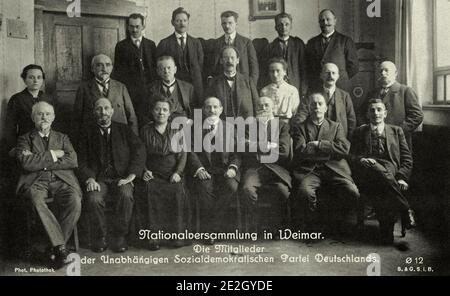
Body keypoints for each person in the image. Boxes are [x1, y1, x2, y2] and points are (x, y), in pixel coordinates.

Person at [15, 101, 81, 268]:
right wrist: (54, 154)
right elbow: (26, 164)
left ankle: (54, 248)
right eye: (40, 114)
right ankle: (60, 248)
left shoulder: (62, 137)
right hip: (36, 181)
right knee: (36, 200)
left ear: (53, 117)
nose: (44, 117)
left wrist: (41, 161)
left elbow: (72, 160)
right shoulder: (24, 139)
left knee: (74, 200)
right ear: (33, 117)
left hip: (61, 179)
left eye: (47, 114)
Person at [78, 98, 146, 253]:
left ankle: (119, 236)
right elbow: (80, 160)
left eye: (106, 108)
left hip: (121, 177)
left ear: (112, 111)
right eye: (99, 109)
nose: (103, 112)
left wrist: (132, 175)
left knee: (126, 195)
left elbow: (140, 151)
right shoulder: (86, 132)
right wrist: (89, 178)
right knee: (93, 198)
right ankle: (100, 237)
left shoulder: (124, 129)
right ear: (94, 112)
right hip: (98, 179)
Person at [290, 93, 360, 235]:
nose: (317, 107)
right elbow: (301, 150)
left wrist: (318, 144)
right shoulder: (300, 128)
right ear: (309, 108)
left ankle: (337, 223)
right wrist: (330, 150)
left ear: (326, 108)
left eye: (320, 104)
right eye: (313, 104)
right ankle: (314, 226)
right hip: (310, 169)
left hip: (335, 169)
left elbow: (343, 149)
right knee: (305, 192)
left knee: (352, 192)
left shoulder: (336, 126)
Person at [351, 99, 416, 245]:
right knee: (377, 172)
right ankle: (405, 209)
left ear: (385, 113)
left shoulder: (396, 131)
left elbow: (406, 158)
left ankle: (386, 231)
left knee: (382, 184)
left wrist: (401, 178)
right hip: (367, 170)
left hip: (390, 169)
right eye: (372, 110)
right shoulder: (359, 131)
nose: (376, 113)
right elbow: (351, 156)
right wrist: (361, 160)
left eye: (379, 110)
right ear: (367, 114)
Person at [139, 96, 188, 250]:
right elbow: (139, 155)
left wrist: (178, 172)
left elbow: (183, 154)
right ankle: (154, 238)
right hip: (152, 173)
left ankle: (177, 236)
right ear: (152, 112)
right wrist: (144, 170)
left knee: (177, 191)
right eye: (157, 109)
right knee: (149, 191)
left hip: (172, 173)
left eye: (165, 110)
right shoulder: (145, 130)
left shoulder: (177, 129)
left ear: (170, 113)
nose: (161, 113)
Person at [189, 97, 240, 244]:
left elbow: (237, 153)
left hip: (225, 170)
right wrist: (198, 168)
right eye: (208, 107)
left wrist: (232, 167)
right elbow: (190, 151)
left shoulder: (230, 128)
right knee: (204, 190)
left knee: (231, 186)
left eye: (215, 107)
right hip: (206, 170)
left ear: (221, 110)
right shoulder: (195, 128)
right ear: (203, 110)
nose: (212, 110)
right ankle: (213, 230)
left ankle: (211, 228)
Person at [240, 97, 291, 236]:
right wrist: (269, 145)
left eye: (266, 105)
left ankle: (277, 227)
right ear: (255, 109)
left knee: (282, 191)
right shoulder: (247, 126)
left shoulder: (282, 126)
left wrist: (255, 145)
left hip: (276, 169)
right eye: (260, 106)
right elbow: (243, 148)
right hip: (254, 169)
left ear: (273, 107)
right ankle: (255, 224)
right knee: (247, 189)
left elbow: (284, 151)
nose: (263, 108)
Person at [72, 54, 138, 145]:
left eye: (108, 65)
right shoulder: (84, 88)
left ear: (112, 68)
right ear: (92, 68)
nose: (104, 68)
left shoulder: (121, 87)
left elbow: (131, 116)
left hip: (119, 138)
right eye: (99, 65)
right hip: (93, 139)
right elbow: (77, 118)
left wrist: (134, 140)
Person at [360, 61, 424, 150]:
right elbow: (361, 112)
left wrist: (398, 131)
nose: (383, 73)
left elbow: (417, 116)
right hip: (374, 141)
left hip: (398, 141)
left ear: (395, 73)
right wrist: (366, 127)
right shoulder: (373, 92)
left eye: (386, 70)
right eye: (381, 71)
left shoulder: (405, 91)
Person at [112, 13, 157, 122]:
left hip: (150, 91)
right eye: (131, 26)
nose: (135, 30)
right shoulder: (121, 46)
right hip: (130, 92)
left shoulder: (151, 45)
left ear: (143, 26)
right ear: (127, 27)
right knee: (133, 119)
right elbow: (118, 72)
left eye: (137, 26)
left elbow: (155, 68)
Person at [292, 63, 356, 139]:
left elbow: (351, 121)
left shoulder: (345, 96)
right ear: (321, 75)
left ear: (338, 76)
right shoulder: (311, 94)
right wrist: (299, 132)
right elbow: (302, 113)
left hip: (338, 139)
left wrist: (347, 141)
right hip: (316, 137)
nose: (331, 76)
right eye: (327, 73)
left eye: (333, 73)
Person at [5, 64, 55, 156]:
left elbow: (55, 122)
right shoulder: (17, 99)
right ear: (24, 80)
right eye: (31, 77)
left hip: (47, 143)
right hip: (26, 143)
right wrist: (12, 147)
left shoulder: (49, 99)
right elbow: (10, 127)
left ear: (42, 80)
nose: (36, 81)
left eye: (39, 77)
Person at [156, 7, 204, 101]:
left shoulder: (196, 43)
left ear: (188, 22)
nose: (182, 24)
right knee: (177, 111)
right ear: (172, 22)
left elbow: (200, 66)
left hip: (195, 87)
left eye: (184, 20)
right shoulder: (164, 43)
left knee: (197, 112)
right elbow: (159, 67)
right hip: (175, 88)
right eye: (178, 20)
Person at [306, 9, 359, 93]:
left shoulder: (345, 41)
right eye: (322, 20)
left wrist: (341, 78)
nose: (325, 23)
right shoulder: (312, 43)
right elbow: (308, 67)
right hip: (317, 87)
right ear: (319, 23)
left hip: (340, 87)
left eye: (328, 19)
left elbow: (354, 67)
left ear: (335, 21)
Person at [207, 46, 258, 119]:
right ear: (221, 61)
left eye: (232, 58)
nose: (229, 61)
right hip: (222, 126)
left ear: (237, 60)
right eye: (226, 58)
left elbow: (257, 106)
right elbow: (207, 108)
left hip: (245, 126)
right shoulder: (213, 83)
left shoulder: (248, 81)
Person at [209, 11, 259, 85]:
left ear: (236, 24)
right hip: (222, 84)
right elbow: (213, 67)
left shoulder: (246, 43)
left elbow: (254, 68)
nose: (227, 26)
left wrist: (251, 86)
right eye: (224, 23)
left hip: (243, 84)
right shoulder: (216, 43)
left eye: (230, 23)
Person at [263, 12, 307, 96]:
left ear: (291, 26)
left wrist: (304, 91)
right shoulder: (270, 47)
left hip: (295, 86)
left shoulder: (298, 44)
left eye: (287, 24)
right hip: (278, 88)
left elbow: (304, 69)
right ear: (276, 27)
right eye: (280, 25)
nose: (284, 27)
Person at [146, 56, 196, 124]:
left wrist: (191, 122)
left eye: (169, 68)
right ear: (158, 72)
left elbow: (195, 111)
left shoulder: (188, 88)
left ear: (175, 69)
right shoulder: (152, 89)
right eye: (162, 69)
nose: (166, 71)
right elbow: (148, 113)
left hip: (183, 127)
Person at [260, 58, 302, 123]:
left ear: (284, 72)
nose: (275, 74)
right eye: (272, 71)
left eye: (278, 71)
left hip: (288, 124)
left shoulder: (292, 91)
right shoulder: (264, 91)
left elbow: (295, 112)